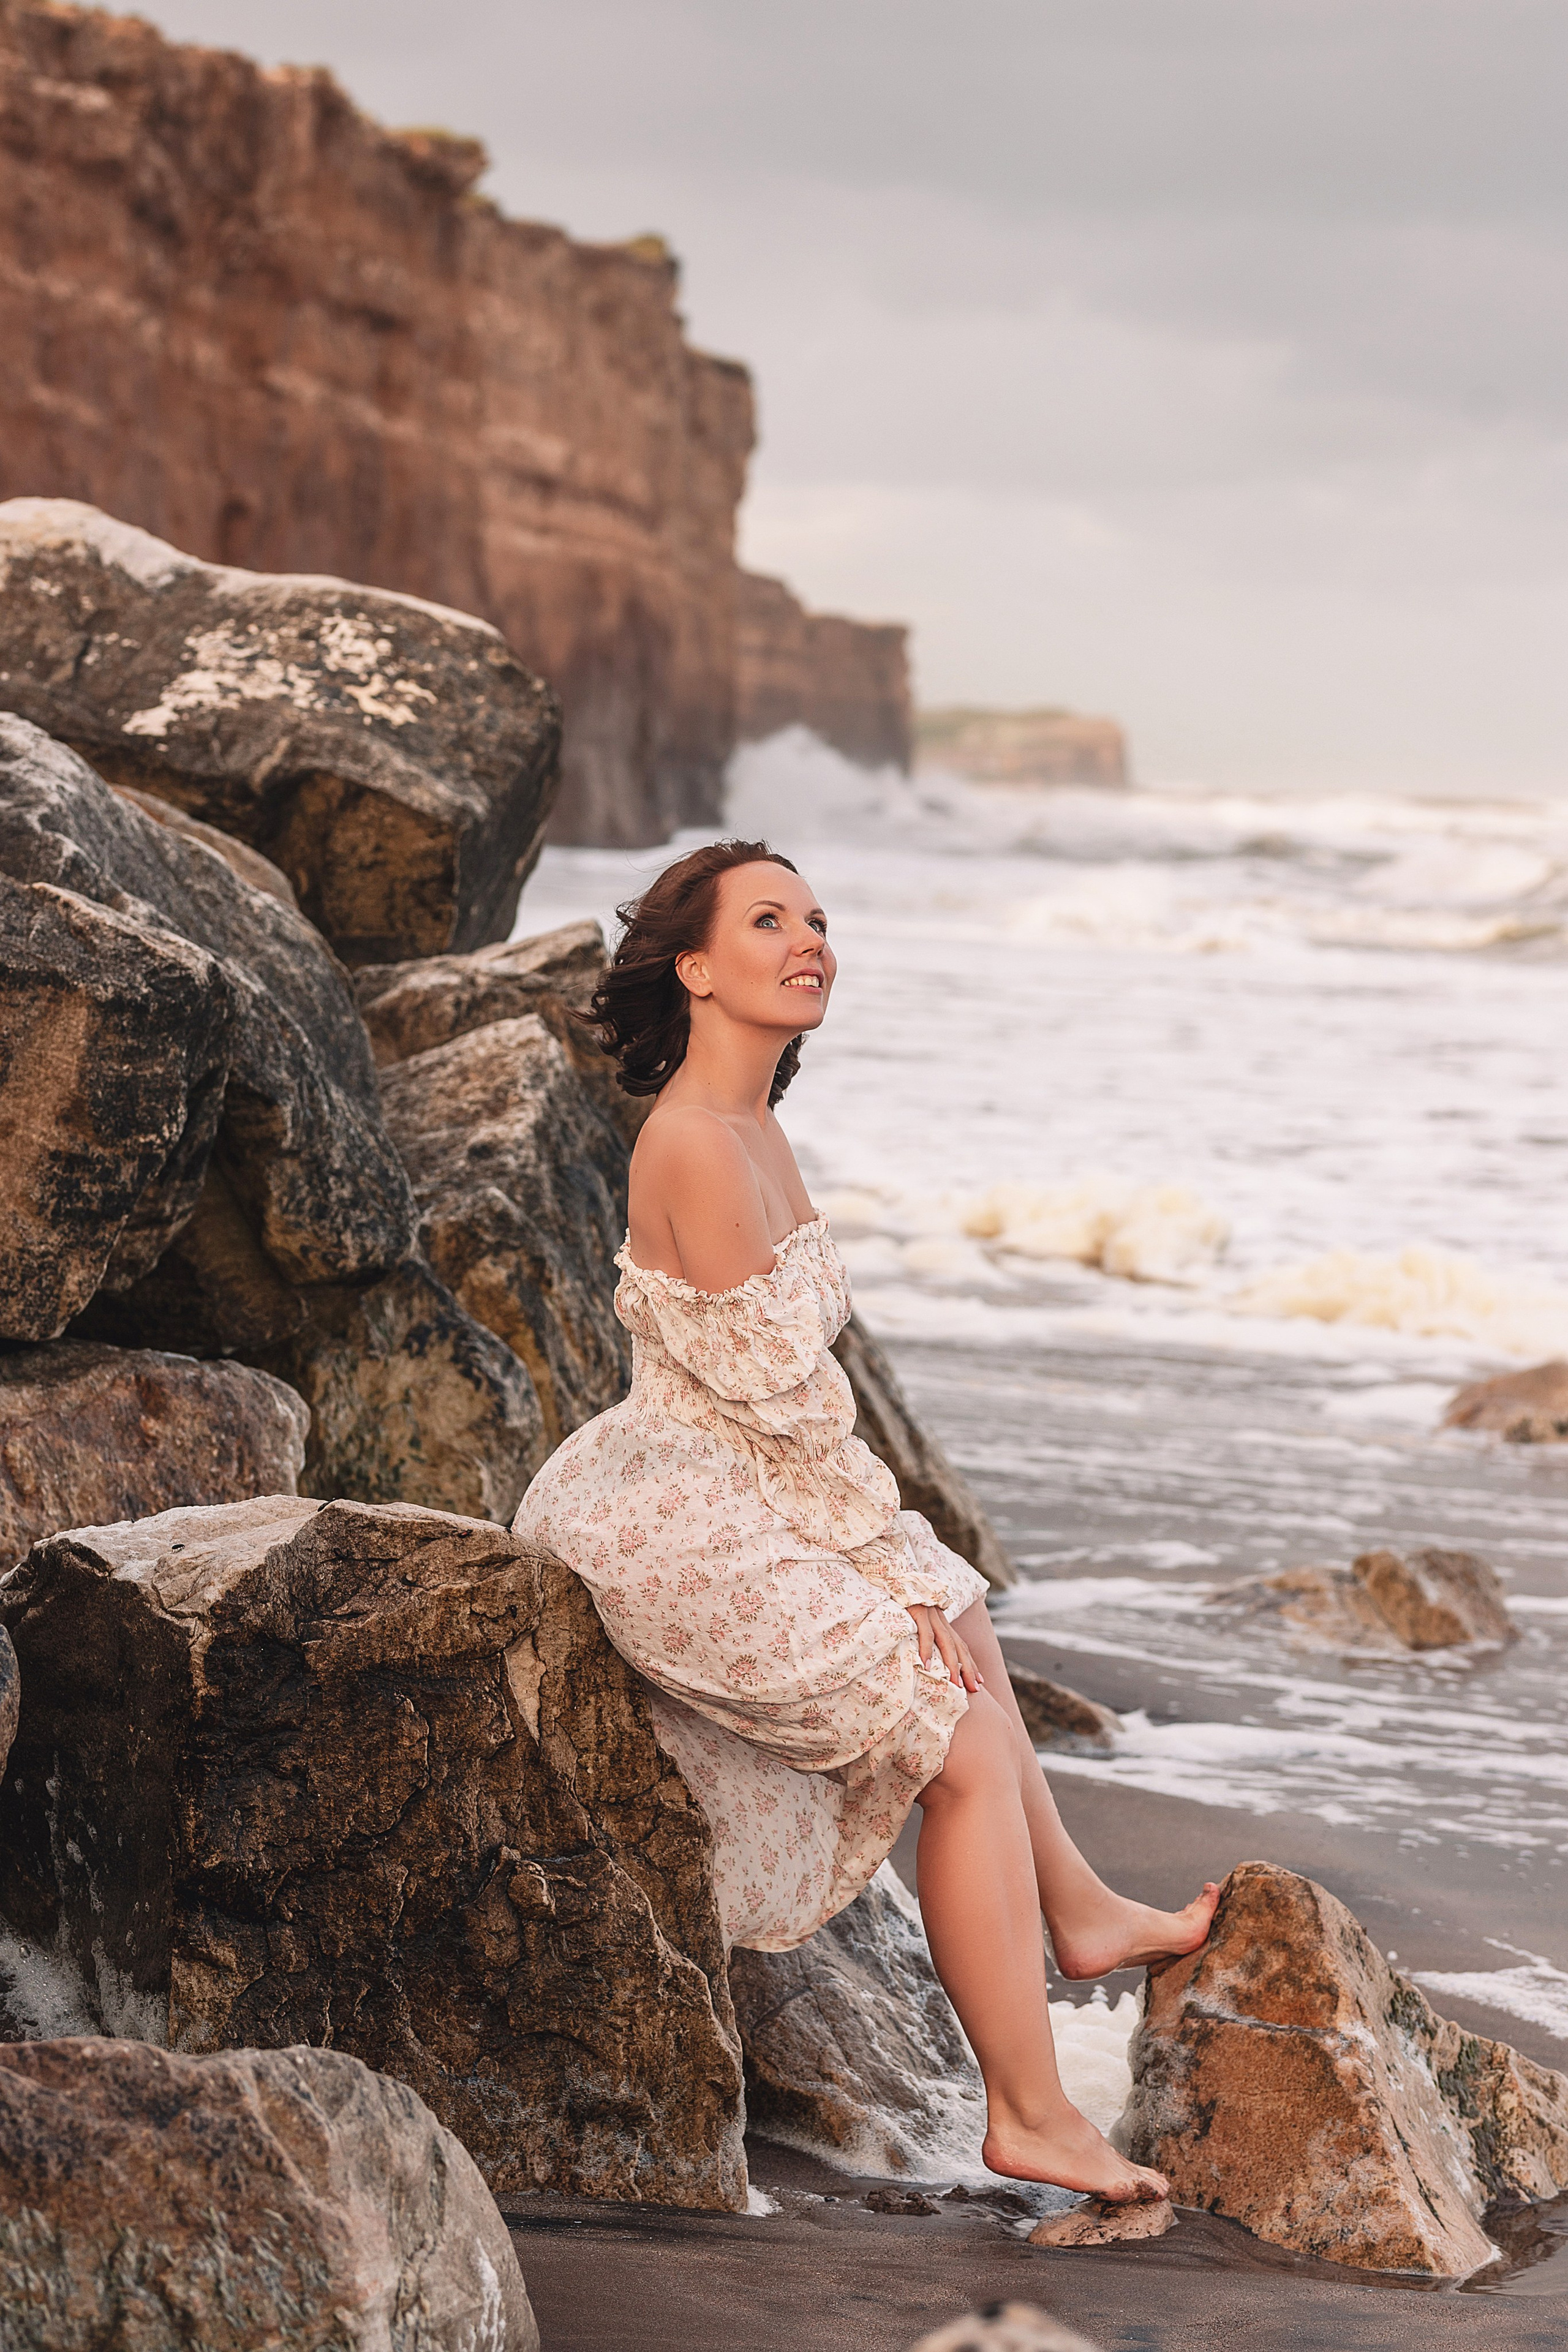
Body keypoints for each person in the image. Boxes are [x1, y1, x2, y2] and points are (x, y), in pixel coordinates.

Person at [513, 837, 1218, 2203]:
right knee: (948, 1738)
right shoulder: (696, 1145)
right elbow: (781, 1412)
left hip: (749, 1472)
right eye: (768, 920)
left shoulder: (755, 1124)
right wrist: (878, 1570)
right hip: (677, 1511)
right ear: (697, 969)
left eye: (819, 919)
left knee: (957, 1609)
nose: (808, 940)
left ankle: (1073, 1909)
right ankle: (1026, 2114)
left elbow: (795, 1412)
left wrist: (908, 1571)